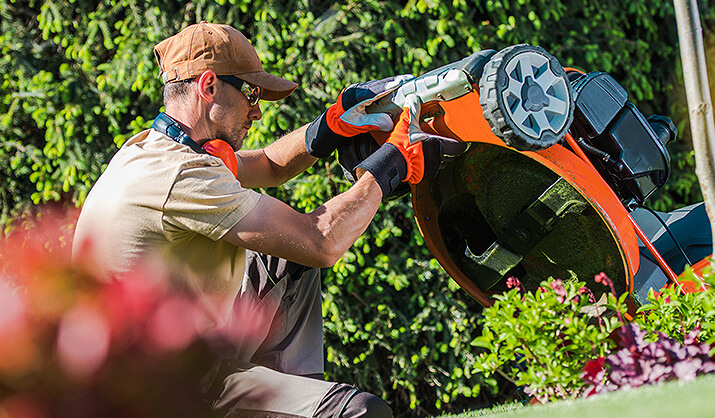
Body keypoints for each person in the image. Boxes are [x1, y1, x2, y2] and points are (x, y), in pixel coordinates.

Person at [72, 22, 463, 417]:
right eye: (251, 93)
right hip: (169, 394)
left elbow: (269, 165)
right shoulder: (181, 177)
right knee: (362, 413)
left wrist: (327, 128)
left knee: (287, 260)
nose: (257, 111)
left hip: (181, 358)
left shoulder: (153, 149)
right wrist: (391, 163)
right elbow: (321, 240)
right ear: (208, 87)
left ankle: (297, 400)